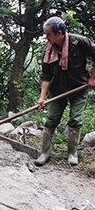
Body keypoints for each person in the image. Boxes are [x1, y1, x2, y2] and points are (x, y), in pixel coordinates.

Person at [34, 16, 95, 166]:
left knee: (75, 119)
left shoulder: (80, 43)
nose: (46, 37)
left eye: (48, 34)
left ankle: (72, 153)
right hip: (58, 91)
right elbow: (46, 77)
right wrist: (42, 98)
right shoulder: (47, 52)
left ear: (59, 33)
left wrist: (92, 78)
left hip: (79, 87)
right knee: (51, 120)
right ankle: (45, 152)